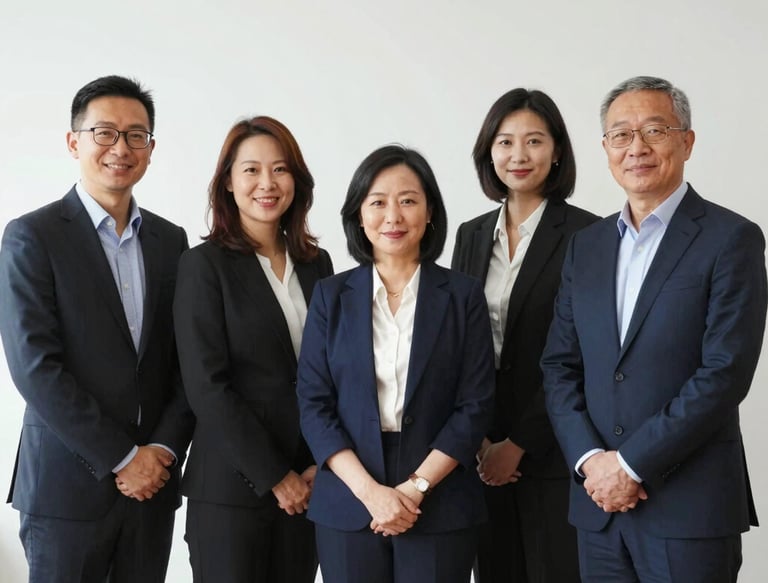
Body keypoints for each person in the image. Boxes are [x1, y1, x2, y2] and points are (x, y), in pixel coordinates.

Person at [540, 75, 767, 582]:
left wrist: (631, 465)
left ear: (686, 140)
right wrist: (591, 462)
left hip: (689, 508)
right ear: (605, 149)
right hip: (597, 510)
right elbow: (559, 365)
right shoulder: (587, 245)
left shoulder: (732, 239)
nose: (636, 147)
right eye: (620, 135)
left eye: (655, 130)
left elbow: (724, 373)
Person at [0, 75, 194, 583]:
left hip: (152, 489)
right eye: (104, 133)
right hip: (66, 489)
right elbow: (35, 367)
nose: (121, 148)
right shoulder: (31, 237)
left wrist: (162, 453)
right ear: (73, 142)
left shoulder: (170, 242)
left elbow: (185, 364)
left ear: (151, 149)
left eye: (136, 135)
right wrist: (122, 457)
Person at [297, 145, 495, 583]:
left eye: (408, 200)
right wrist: (371, 494)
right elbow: (314, 404)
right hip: (349, 492)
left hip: (440, 492)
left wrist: (414, 488)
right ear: (359, 215)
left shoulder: (463, 296)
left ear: (429, 213)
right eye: (378, 202)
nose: (393, 216)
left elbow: (475, 404)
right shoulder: (331, 297)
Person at [173, 116, 332, 583]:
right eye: (251, 170)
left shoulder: (316, 264)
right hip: (232, 489)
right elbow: (207, 387)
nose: (267, 183)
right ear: (227, 181)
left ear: (296, 182)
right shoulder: (203, 266)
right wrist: (275, 476)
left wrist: (320, 464)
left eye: (280, 170)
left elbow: (331, 373)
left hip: (310, 484)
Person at [452, 88, 599, 583]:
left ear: (557, 150)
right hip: (479, 450)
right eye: (505, 141)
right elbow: (459, 345)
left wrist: (518, 442)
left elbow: (582, 352)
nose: (518, 156)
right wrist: (480, 440)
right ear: (488, 151)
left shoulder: (589, 235)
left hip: (556, 450)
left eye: (534, 141)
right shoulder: (470, 235)